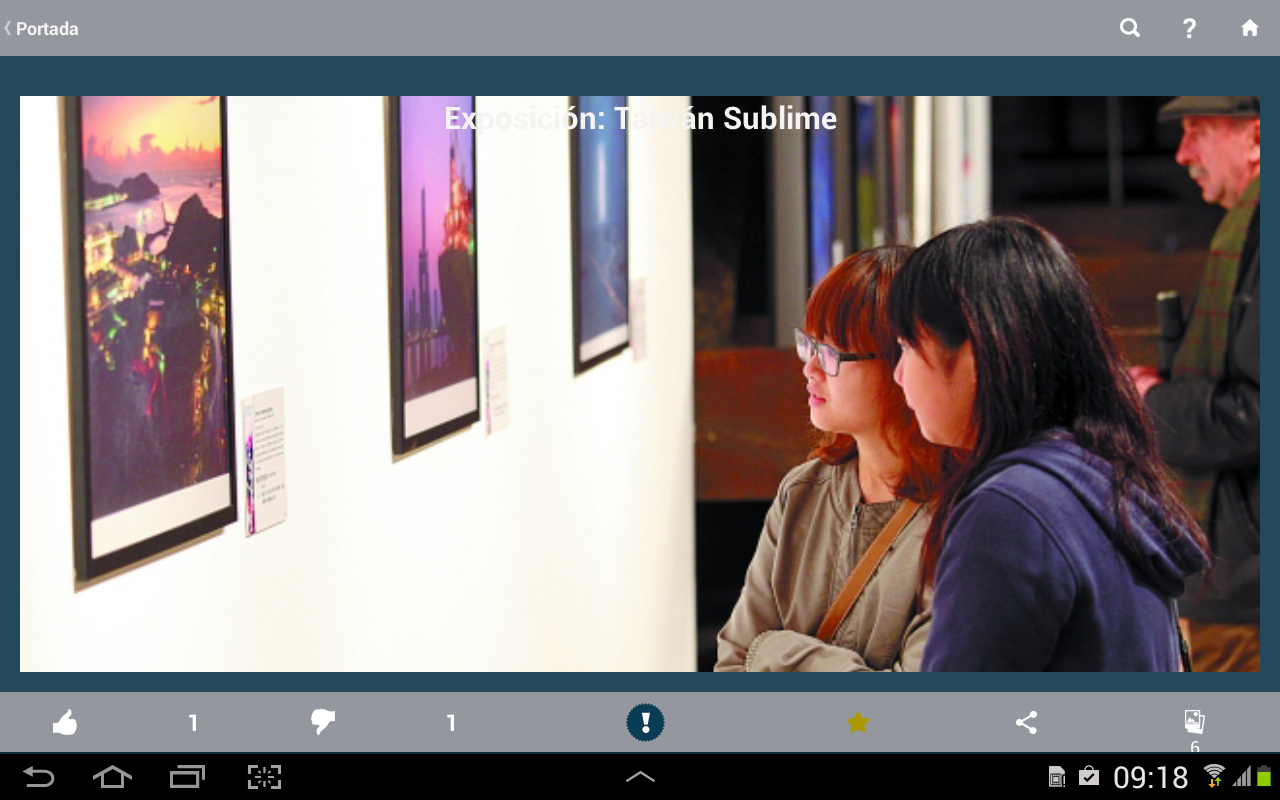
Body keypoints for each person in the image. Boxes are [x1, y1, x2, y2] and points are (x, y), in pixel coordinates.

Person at [887, 217, 1211, 671]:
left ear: (977, 349)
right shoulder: (1101, 475)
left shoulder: (1008, 512)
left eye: (906, 346)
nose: (898, 374)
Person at [716, 246, 947, 672]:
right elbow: (732, 664)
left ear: (901, 364)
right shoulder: (803, 491)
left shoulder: (958, 515)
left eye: (831, 353)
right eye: (810, 345)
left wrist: (775, 652)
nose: (810, 369)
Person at [1128, 96, 1260, 672]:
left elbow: (1255, 413)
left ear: (1257, 138)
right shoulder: (1248, 228)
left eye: (1198, 131)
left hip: (1249, 589)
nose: (1183, 154)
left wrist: (1151, 400)